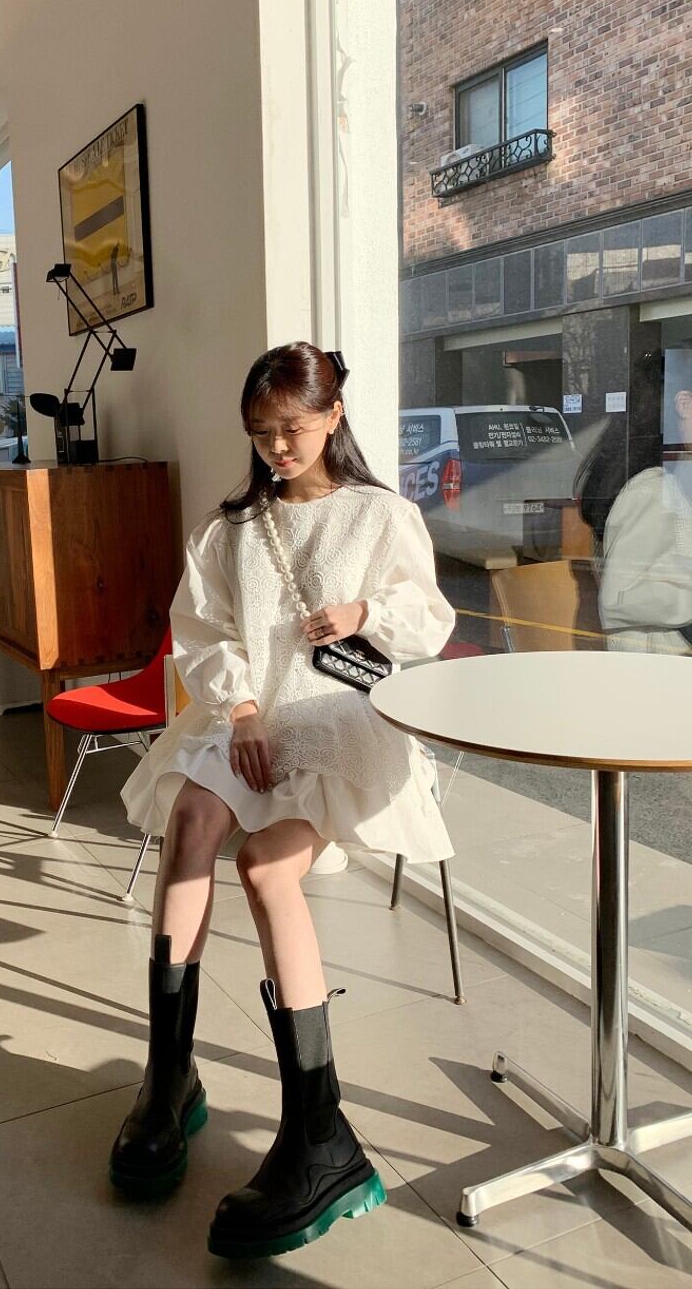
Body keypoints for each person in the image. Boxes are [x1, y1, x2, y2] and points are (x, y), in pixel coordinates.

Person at [109, 341, 456, 1259]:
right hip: (253, 715)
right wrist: (241, 709)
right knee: (191, 817)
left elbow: (430, 619)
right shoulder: (232, 527)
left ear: (334, 415)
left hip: (341, 724)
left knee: (266, 866)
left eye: (293, 428)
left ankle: (319, 1129)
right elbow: (203, 630)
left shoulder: (380, 515)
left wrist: (363, 614)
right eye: (261, 433)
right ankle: (168, 1076)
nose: (277, 448)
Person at [577, 348, 692, 654]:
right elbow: (620, 598)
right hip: (659, 666)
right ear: (684, 405)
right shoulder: (650, 489)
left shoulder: (663, 481)